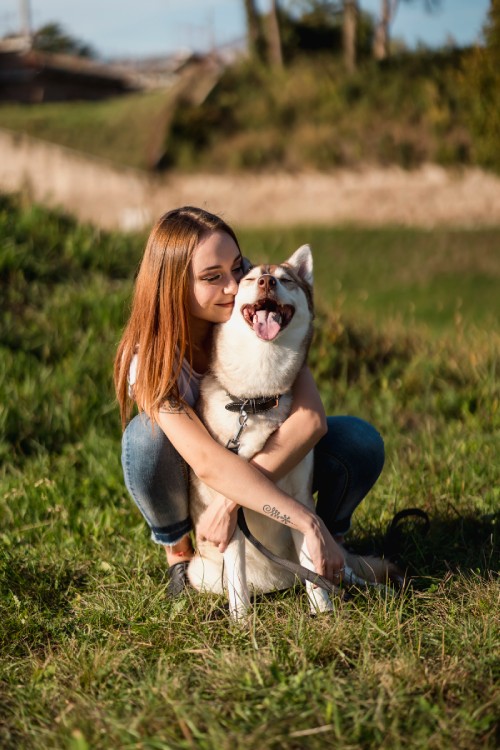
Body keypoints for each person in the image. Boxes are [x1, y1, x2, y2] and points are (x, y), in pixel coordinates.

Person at [114, 206, 385, 596]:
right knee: (145, 440)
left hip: (254, 474)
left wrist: (236, 504)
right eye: (212, 277)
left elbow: (310, 423)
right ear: (174, 286)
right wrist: (302, 518)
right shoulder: (149, 363)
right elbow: (207, 462)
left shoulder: (259, 320)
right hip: (198, 481)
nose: (232, 285)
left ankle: (327, 548)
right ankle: (179, 553)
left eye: (237, 267)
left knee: (358, 441)